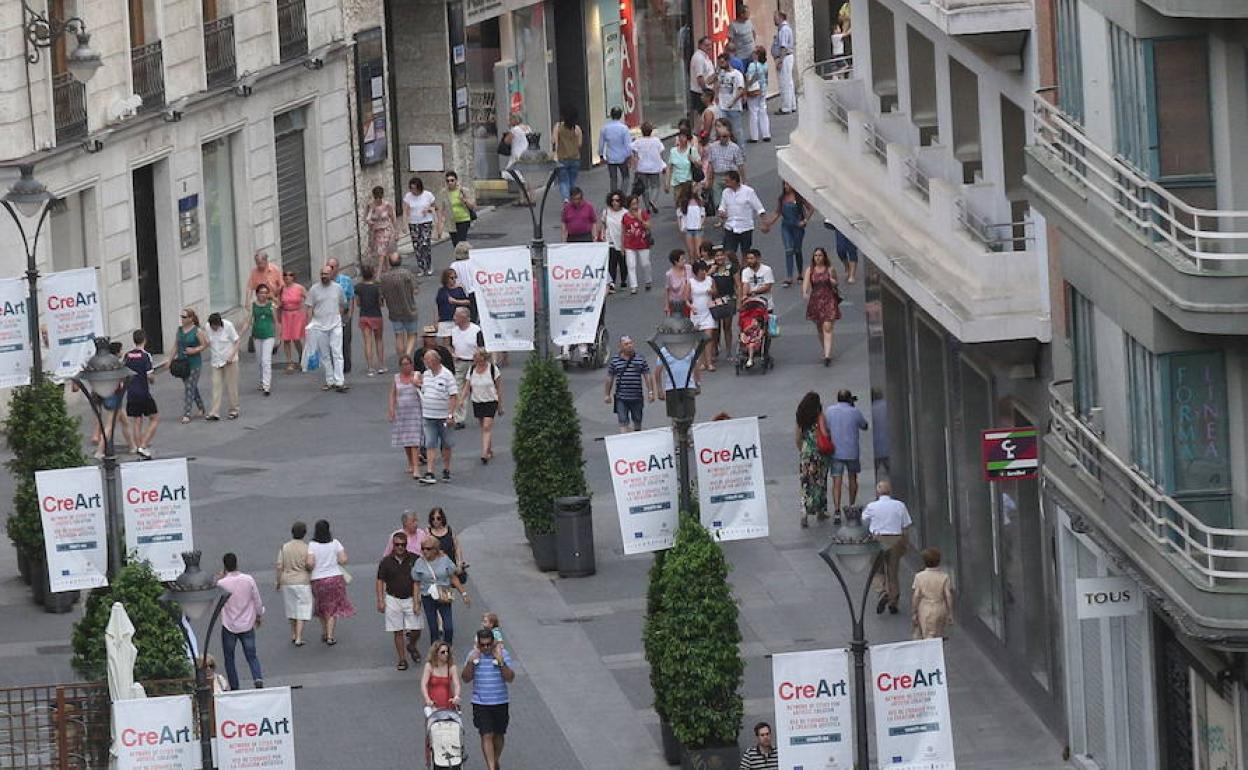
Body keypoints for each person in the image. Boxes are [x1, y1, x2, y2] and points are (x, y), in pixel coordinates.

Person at [462, 628, 515, 770]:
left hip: (500, 701)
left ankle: (494, 760)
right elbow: (466, 678)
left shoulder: (503, 653)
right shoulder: (473, 655)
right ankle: (491, 767)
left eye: (488, 644)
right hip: (480, 702)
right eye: (482, 645)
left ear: (493, 642)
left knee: (499, 735)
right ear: (478, 644)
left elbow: (510, 678)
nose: (486, 648)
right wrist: (470, 662)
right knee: (486, 734)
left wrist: (501, 662)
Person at [861, 480, 912, 615]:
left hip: (877, 539)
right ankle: (893, 600)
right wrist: (905, 543)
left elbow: (863, 520)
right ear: (890, 491)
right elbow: (906, 526)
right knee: (893, 572)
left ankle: (882, 591)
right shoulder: (900, 505)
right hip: (895, 539)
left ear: (878, 492)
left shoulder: (872, 506)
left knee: (877, 570)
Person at [376, 530, 422, 671]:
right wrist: (380, 600)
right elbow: (380, 580)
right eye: (397, 545)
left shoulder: (415, 559)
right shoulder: (386, 562)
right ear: (393, 545)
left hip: (411, 598)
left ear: (406, 545)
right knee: (397, 630)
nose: (400, 547)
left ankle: (412, 645)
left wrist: (417, 601)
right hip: (393, 598)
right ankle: (402, 659)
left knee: (416, 629)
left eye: (403, 544)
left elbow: (418, 580)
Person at [217, 553, 264, 690]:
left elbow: (216, 601)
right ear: (237, 563)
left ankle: (235, 685)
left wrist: (220, 579)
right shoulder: (248, 579)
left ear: (224, 566)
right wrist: (259, 615)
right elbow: (257, 600)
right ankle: (257, 677)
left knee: (229, 657)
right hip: (247, 623)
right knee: (251, 655)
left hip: (229, 624)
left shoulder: (221, 584)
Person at [412, 535, 470, 647]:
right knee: (433, 629)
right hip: (428, 597)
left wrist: (464, 593)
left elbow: (453, 577)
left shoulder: (444, 560)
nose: (425, 551)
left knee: (448, 628)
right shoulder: (419, 562)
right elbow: (416, 583)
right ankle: (435, 652)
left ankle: (447, 648)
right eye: (423, 548)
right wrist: (416, 603)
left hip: (443, 595)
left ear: (435, 549)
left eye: (428, 549)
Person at [306, 519, 354, 645]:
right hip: (335, 578)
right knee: (332, 607)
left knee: (321, 606)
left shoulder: (312, 545)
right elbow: (343, 559)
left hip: (318, 580)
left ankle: (324, 631)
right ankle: (330, 636)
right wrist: (333, 560)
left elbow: (310, 563)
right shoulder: (335, 543)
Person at [825, 389, 868, 518]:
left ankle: (837, 510)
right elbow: (864, 425)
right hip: (852, 451)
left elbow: (826, 428)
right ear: (850, 399)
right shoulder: (855, 412)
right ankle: (852, 505)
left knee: (836, 481)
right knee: (853, 478)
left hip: (836, 451)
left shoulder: (830, 411)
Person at [305, 264, 348, 392]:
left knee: (337, 353)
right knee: (325, 355)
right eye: (322, 274)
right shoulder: (314, 289)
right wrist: (309, 325)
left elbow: (343, 304)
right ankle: (330, 380)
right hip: (319, 326)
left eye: (326, 274)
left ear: (331, 274)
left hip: (335, 325)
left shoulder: (338, 288)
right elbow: (309, 307)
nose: (324, 276)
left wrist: (339, 317)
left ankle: (339, 381)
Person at [419, 349, 459, 484]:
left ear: (434, 361)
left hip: (443, 416)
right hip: (428, 415)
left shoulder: (447, 375)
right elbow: (424, 390)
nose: (425, 362)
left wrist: (450, 414)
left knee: (446, 443)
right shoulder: (426, 374)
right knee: (430, 443)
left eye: (427, 360)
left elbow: (453, 396)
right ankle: (430, 471)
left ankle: (446, 469)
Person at [762, 182, 814, 286]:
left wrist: (805, 221)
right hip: (786, 227)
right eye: (785, 185)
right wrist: (768, 223)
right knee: (789, 250)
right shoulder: (782, 198)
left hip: (797, 226)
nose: (786, 187)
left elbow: (811, 209)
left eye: (788, 184)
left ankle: (800, 273)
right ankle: (789, 277)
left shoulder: (799, 197)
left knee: (797, 250)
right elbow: (777, 213)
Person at [123, 330, 161, 459]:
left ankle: (138, 446)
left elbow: (124, 373)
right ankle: (143, 445)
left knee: (137, 420)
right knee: (155, 418)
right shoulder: (146, 356)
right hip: (143, 392)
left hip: (131, 393)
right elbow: (149, 375)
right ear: (145, 340)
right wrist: (153, 380)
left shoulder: (127, 355)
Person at [795, 392, 830, 529]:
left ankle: (804, 513)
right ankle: (821, 510)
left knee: (805, 484)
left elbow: (798, 437)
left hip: (806, 454)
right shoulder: (819, 416)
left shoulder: (800, 417)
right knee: (820, 482)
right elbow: (825, 433)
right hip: (819, 454)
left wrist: (802, 450)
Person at [275, 521, 312, 647]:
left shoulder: (284, 547)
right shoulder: (307, 548)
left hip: (287, 580)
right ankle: (299, 637)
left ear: (292, 532)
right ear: (304, 533)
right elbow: (310, 565)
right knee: (302, 608)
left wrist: (278, 581)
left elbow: (279, 566)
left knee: (291, 608)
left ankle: (294, 634)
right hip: (302, 581)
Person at [605, 335, 653, 433]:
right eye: (626, 344)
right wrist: (607, 394)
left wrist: (650, 392)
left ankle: (637, 437)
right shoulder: (615, 360)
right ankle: (625, 438)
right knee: (623, 422)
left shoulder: (640, 359)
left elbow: (647, 375)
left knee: (637, 421)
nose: (629, 346)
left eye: (631, 343)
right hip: (621, 398)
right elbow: (610, 377)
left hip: (637, 397)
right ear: (621, 347)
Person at [462, 348, 502, 463]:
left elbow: (499, 388)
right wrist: (461, 400)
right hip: (477, 401)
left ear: (484, 357)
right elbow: (467, 387)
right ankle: (489, 449)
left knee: (486, 427)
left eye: (477, 356)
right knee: (484, 427)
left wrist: (500, 405)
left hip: (491, 401)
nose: (474, 358)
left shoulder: (493, 369)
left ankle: (484, 453)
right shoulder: (472, 369)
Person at [802, 247, 841, 365]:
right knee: (819, 328)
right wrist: (805, 293)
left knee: (827, 327)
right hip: (816, 301)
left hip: (829, 300)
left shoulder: (830, 269)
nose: (818, 258)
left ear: (824, 257)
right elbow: (806, 284)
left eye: (820, 255)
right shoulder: (810, 270)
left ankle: (827, 356)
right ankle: (825, 349)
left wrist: (832, 281)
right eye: (816, 256)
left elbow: (836, 283)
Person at [389, 354, 425, 478]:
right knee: (406, 440)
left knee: (414, 440)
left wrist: (416, 383)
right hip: (402, 413)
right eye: (403, 364)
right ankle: (410, 463)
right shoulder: (396, 378)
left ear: (411, 365)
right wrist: (391, 409)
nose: (406, 367)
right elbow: (393, 394)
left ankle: (416, 468)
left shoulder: (416, 375)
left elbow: (423, 387)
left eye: (407, 364)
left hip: (415, 412)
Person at [380, 252, 420, 362]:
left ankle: (401, 359)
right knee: (412, 334)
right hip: (409, 309)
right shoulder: (407, 274)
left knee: (398, 335)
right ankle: (407, 355)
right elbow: (415, 290)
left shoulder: (384, 277)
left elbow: (381, 295)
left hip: (394, 311)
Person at [448, 308, 482, 427]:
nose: (454, 318)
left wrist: (479, 357)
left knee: (478, 390)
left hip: (474, 364)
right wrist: (453, 354)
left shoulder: (476, 330)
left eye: (456, 316)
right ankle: (459, 418)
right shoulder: (454, 331)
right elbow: (450, 346)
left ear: (465, 317)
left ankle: (482, 413)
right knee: (458, 390)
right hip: (460, 363)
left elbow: (482, 347)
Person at [173, 309, 208, 424]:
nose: (182, 319)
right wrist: (170, 359)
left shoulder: (197, 331)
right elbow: (176, 345)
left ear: (190, 318)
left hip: (194, 363)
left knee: (189, 387)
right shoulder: (179, 330)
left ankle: (187, 413)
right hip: (182, 363)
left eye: (184, 317)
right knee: (192, 386)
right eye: (181, 317)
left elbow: (205, 344)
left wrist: (194, 350)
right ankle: (201, 407)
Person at [242, 284, 278, 395]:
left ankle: (267, 386)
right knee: (259, 360)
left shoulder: (271, 305)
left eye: (265, 293)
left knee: (266, 360)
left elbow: (276, 321)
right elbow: (248, 321)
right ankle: (262, 381)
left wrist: (278, 337)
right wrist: (240, 334)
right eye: (261, 292)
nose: (263, 295)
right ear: (257, 294)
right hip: (257, 335)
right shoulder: (253, 306)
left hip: (269, 335)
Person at [718, 172, 765, 256]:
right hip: (730, 226)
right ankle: (736, 264)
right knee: (728, 252)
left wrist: (764, 223)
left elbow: (759, 208)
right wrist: (721, 212)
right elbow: (722, 206)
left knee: (745, 253)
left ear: (734, 181)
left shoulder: (748, 191)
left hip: (745, 227)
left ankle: (743, 265)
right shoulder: (725, 192)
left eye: (727, 181)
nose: (725, 183)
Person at [205, 313, 241, 421]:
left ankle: (234, 410)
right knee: (216, 386)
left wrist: (232, 355)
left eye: (215, 326)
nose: (214, 329)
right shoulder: (207, 327)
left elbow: (237, 341)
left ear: (219, 324)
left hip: (229, 360)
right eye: (212, 326)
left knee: (231, 386)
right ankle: (214, 412)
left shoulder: (228, 326)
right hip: (216, 360)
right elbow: (208, 341)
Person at [912, 547, 954, 639]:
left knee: (928, 635)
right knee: (939, 634)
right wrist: (950, 612)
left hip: (925, 608)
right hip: (940, 607)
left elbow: (916, 595)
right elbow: (948, 595)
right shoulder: (944, 577)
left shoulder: (919, 577)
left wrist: (914, 612)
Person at [705, 119, 746, 214]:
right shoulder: (713, 147)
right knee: (718, 201)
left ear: (729, 135)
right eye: (720, 136)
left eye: (725, 136)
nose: (722, 138)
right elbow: (710, 165)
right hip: (718, 176)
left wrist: (743, 180)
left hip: (730, 176)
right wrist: (708, 179)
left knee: (731, 200)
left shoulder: (734, 148)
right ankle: (721, 218)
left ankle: (731, 216)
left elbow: (740, 165)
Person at [710, 247, 741, 361]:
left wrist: (739, 301)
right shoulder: (711, 269)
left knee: (727, 327)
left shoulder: (731, 268)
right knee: (714, 328)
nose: (719, 258)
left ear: (725, 256)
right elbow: (703, 280)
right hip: (714, 301)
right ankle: (714, 350)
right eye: (717, 256)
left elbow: (738, 285)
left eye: (721, 255)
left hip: (728, 299)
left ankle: (728, 352)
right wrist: (710, 272)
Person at [354, 263, 386, 376]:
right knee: (379, 340)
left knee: (368, 341)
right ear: (372, 273)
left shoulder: (358, 287)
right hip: (376, 315)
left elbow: (358, 303)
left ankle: (370, 367)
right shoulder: (377, 287)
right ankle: (381, 366)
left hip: (364, 315)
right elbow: (381, 303)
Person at [404, 177, 440, 276]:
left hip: (426, 222)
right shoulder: (408, 196)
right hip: (413, 222)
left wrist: (428, 209)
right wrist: (404, 224)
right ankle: (421, 267)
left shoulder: (427, 195)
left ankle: (428, 265)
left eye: (415, 188)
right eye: (411, 188)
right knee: (417, 246)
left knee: (425, 243)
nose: (413, 191)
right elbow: (405, 210)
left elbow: (436, 207)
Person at [686, 259, 717, 371]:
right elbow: (686, 299)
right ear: (696, 272)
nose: (703, 272)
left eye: (704, 270)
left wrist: (712, 292)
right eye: (701, 271)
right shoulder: (690, 282)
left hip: (708, 312)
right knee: (700, 339)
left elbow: (715, 292)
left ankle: (709, 363)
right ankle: (702, 361)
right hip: (697, 314)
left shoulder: (710, 280)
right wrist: (691, 307)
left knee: (708, 338)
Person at [631, 122, 666, 214]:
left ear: (641, 131)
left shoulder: (638, 141)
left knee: (645, 188)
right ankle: (652, 201)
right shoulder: (656, 141)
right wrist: (663, 164)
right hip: (654, 166)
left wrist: (635, 165)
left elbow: (633, 152)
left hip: (642, 167)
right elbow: (661, 153)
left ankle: (647, 207)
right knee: (656, 186)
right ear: (651, 131)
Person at [621, 195, 653, 295]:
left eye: (636, 203)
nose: (635, 206)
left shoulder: (642, 213)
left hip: (643, 243)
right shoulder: (625, 217)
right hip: (629, 244)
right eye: (632, 204)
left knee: (645, 264)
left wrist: (640, 219)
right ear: (629, 205)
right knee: (631, 265)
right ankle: (633, 286)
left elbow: (649, 226)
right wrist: (622, 245)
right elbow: (623, 231)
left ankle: (648, 280)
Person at [714, 53, 746, 152]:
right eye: (719, 63)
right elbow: (715, 84)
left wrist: (733, 101)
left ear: (728, 61)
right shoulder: (721, 73)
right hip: (722, 106)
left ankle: (741, 151)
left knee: (736, 130)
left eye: (722, 62)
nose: (721, 65)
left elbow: (740, 89)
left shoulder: (737, 74)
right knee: (721, 130)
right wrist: (716, 95)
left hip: (734, 107)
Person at [596, 191, 628, 292]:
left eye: (617, 200)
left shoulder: (625, 213)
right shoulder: (606, 212)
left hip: (622, 241)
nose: (615, 202)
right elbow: (603, 224)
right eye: (613, 200)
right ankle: (611, 283)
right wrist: (600, 235)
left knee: (623, 263)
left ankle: (623, 279)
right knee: (611, 263)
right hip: (610, 241)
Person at [328, 258, 355, 375]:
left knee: (345, 340)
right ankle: (336, 365)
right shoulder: (325, 282)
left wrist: (350, 314)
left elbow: (351, 297)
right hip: (330, 315)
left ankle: (346, 364)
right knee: (332, 341)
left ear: (337, 268)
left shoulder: (345, 280)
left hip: (344, 314)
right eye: (328, 266)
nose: (330, 269)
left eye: (332, 267)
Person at [427, 507, 467, 585]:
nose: (435, 521)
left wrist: (459, 563)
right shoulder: (428, 532)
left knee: (455, 587)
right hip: (437, 569)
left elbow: (457, 547)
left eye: (438, 518)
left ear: (442, 518)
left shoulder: (449, 530)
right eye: (433, 518)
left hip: (452, 567)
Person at [598, 106, 632, 195]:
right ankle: (623, 195)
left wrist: (601, 156)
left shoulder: (605, 128)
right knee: (625, 177)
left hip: (611, 157)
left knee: (613, 178)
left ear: (611, 115)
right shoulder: (624, 128)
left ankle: (613, 196)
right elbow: (628, 144)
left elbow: (601, 144)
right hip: (622, 156)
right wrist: (629, 156)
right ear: (620, 115)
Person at [665, 130, 701, 212]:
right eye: (680, 137)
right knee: (679, 205)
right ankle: (680, 218)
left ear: (687, 139)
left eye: (683, 137)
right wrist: (667, 183)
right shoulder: (673, 151)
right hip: (677, 182)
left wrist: (693, 160)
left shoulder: (692, 150)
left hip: (689, 183)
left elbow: (700, 165)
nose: (681, 139)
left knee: (689, 204)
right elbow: (669, 167)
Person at [438, 171, 476, 246]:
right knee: (455, 243)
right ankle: (461, 253)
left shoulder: (463, 190)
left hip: (463, 219)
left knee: (461, 243)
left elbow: (472, 206)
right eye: (448, 181)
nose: (450, 183)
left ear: (456, 180)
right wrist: (440, 224)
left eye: (452, 180)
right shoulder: (444, 193)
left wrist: (464, 200)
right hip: (451, 221)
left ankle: (463, 253)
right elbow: (441, 209)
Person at [279, 270, 307, 372]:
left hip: (297, 315)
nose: (287, 277)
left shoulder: (299, 288)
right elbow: (278, 301)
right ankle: (289, 362)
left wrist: (308, 311)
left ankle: (301, 357)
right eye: (285, 275)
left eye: (290, 275)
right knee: (286, 339)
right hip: (285, 314)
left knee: (296, 338)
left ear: (294, 277)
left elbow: (309, 299)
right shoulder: (281, 289)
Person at [364, 186, 398, 268]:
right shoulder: (370, 206)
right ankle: (387, 267)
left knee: (381, 251)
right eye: (376, 197)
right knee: (381, 251)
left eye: (379, 197)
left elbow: (393, 218)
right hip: (374, 231)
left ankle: (379, 272)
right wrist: (370, 214)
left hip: (385, 230)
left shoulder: (387, 205)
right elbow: (366, 218)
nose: (378, 199)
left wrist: (396, 232)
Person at [554, 107, 583, 202]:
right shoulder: (577, 129)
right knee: (572, 182)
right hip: (575, 158)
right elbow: (579, 144)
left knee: (563, 181)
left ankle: (566, 199)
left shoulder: (558, 127)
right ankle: (573, 199)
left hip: (562, 158)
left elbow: (554, 141)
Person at [422, 640, 461, 710]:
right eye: (443, 652)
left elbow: (457, 684)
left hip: (448, 703)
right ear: (436, 653)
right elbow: (424, 684)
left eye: (447, 651)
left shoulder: (451, 667)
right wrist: (427, 699)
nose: (446, 654)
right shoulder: (429, 666)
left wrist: (456, 696)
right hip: (433, 704)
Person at [502, 114, 533, 203]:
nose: (509, 122)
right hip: (526, 153)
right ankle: (530, 197)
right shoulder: (528, 128)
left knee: (519, 177)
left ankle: (522, 198)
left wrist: (509, 130)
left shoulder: (515, 130)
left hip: (517, 155)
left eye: (510, 120)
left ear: (514, 120)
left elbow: (507, 141)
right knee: (527, 177)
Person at [436, 269, 472, 342]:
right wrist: (436, 321)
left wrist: (456, 301)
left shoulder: (459, 289)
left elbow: (468, 302)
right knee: (446, 342)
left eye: (455, 277)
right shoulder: (441, 291)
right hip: (444, 319)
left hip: (457, 319)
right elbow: (437, 306)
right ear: (446, 279)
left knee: (458, 341)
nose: (454, 280)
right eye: (451, 278)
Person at [745, 47, 772, 143]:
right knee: (763, 111)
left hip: (754, 90)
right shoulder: (765, 64)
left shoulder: (753, 65)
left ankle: (754, 136)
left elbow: (750, 79)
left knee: (753, 112)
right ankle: (766, 134)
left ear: (757, 55)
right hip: (763, 90)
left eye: (754, 53)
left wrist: (746, 88)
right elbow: (766, 77)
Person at [773, 11, 796, 114]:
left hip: (785, 58)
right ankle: (792, 105)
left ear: (781, 17)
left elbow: (783, 47)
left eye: (775, 17)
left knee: (784, 83)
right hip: (787, 57)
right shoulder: (785, 29)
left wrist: (780, 61)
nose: (774, 20)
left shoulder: (783, 30)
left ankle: (786, 107)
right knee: (789, 82)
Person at [450, 240, 479, 323]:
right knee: (473, 315)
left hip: (459, 293)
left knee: (461, 315)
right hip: (472, 292)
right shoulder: (472, 263)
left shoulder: (453, 265)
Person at [688, 36, 715, 118]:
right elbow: (699, 77)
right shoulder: (699, 58)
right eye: (706, 45)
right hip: (700, 93)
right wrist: (705, 92)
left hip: (706, 92)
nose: (709, 47)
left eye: (710, 45)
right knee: (704, 117)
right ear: (700, 45)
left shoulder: (705, 57)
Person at [740, 248, 775, 312]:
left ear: (758, 258)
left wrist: (753, 292)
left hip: (766, 304)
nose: (749, 261)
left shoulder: (767, 269)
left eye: (751, 258)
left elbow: (767, 287)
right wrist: (744, 295)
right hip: (751, 304)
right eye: (748, 259)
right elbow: (745, 284)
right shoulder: (745, 271)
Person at [678, 187, 706, 257]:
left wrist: (701, 223)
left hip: (698, 229)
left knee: (698, 251)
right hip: (687, 229)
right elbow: (679, 216)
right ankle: (692, 263)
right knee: (691, 252)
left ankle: (698, 262)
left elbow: (703, 214)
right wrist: (681, 228)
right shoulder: (683, 202)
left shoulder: (699, 200)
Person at [664, 250, 691, 317]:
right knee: (677, 322)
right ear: (676, 262)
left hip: (689, 301)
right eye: (682, 259)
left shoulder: (689, 268)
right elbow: (667, 290)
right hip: (676, 304)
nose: (684, 261)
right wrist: (667, 306)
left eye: (684, 258)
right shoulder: (669, 274)